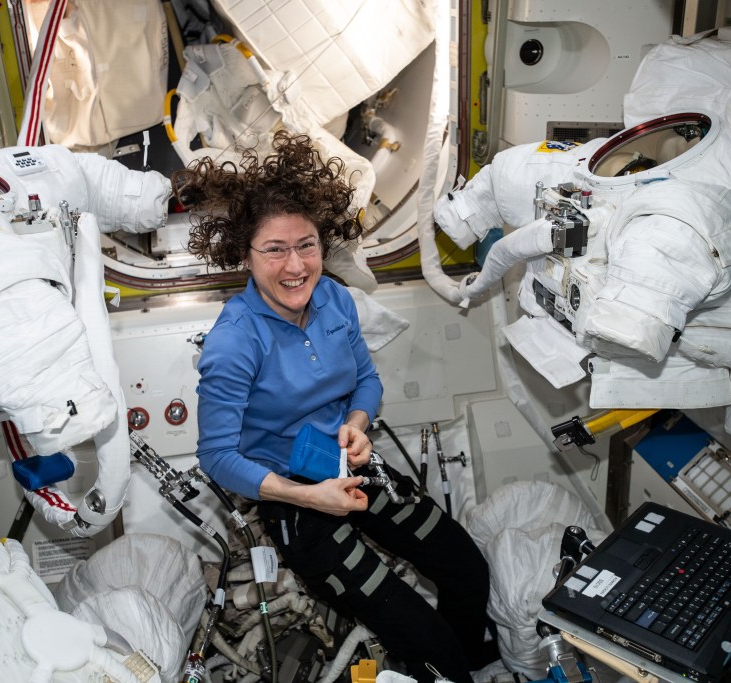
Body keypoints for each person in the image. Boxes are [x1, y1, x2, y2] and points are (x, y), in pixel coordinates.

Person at [176, 132, 493, 683]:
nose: (295, 265)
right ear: (244, 255)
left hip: (352, 466)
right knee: (427, 640)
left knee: (468, 571)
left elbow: (366, 381)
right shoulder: (235, 341)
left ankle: (463, 669)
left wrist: (356, 424)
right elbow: (218, 456)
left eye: (308, 245)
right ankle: (448, 667)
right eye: (274, 249)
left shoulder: (336, 300)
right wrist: (306, 495)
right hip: (295, 502)